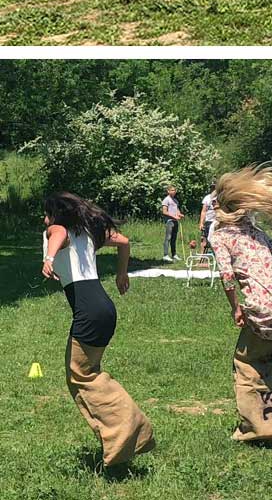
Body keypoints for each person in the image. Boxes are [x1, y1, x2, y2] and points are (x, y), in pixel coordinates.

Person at [41, 192, 155, 467]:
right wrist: (121, 273)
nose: (44, 219)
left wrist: (48, 257)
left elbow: (56, 232)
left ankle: (131, 429)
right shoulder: (88, 235)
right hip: (103, 308)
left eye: (46, 213)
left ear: (56, 214)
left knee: (82, 375)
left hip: (89, 311)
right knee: (83, 373)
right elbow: (124, 242)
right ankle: (120, 438)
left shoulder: (58, 229)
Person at [209, 166, 272, 443]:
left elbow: (227, 276)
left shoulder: (221, 236)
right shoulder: (257, 233)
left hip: (260, 309)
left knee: (246, 365)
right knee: (265, 364)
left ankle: (255, 428)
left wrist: (236, 307)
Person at [161, 184, 185, 261]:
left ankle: (174, 254)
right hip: (169, 221)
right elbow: (164, 212)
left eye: (175, 190)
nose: (174, 192)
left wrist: (179, 214)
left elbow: (177, 210)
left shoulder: (175, 200)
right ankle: (165, 255)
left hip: (176, 221)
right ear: (168, 191)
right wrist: (173, 216)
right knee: (168, 237)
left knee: (174, 238)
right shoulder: (166, 200)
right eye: (172, 190)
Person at [199, 181, 218, 251]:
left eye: (214, 187)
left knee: (215, 239)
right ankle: (202, 256)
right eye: (212, 187)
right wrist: (201, 222)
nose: (213, 189)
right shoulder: (207, 198)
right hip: (208, 221)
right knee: (204, 238)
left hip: (216, 221)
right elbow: (203, 211)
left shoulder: (220, 197)